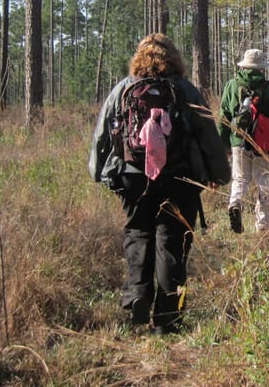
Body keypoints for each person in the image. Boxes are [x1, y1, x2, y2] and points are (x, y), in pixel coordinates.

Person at [89, 33, 230, 335]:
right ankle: (168, 319)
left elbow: (103, 133)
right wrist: (219, 174)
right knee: (172, 242)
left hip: (132, 176)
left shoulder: (124, 89)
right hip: (179, 177)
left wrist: (99, 171)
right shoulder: (186, 90)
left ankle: (137, 296)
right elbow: (208, 134)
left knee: (138, 232)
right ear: (174, 58)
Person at [219, 48, 269, 234]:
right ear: (261, 68)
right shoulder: (268, 88)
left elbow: (223, 118)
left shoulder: (231, 86)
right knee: (265, 182)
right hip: (264, 144)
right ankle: (263, 226)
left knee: (240, 178)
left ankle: (235, 202)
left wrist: (224, 144)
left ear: (244, 65)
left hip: (238, 141)